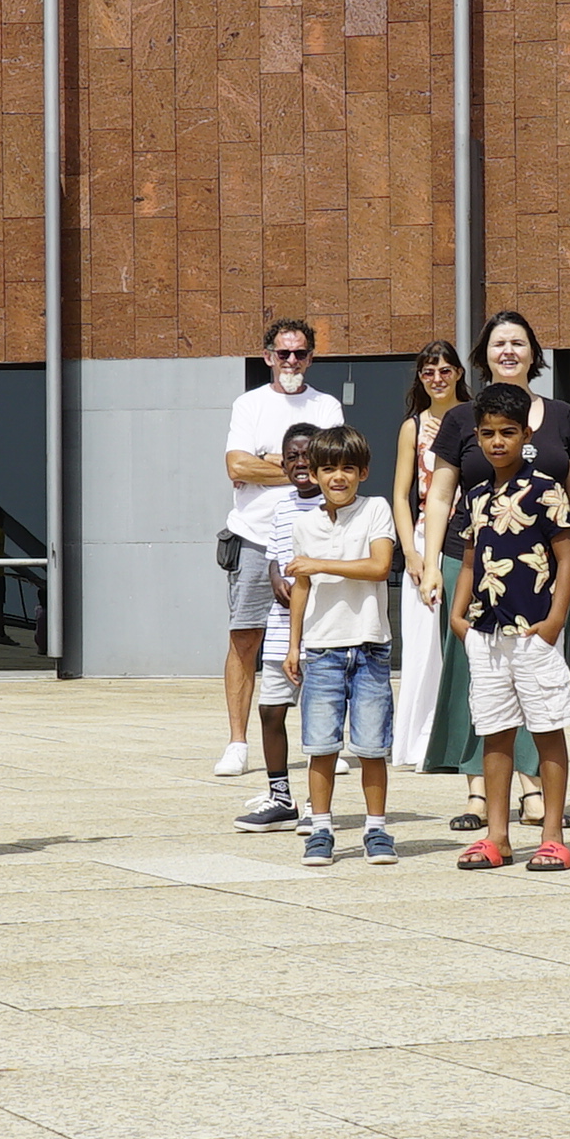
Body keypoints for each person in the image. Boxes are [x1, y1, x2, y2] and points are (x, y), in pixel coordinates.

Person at [426, 307, 570, 829]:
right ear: (483, 356)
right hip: (469, 561)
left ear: (534, 354)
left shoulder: (562, 416)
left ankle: (533, 790)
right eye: (498, 343)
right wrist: (431, 564)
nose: (508, 351)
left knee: (532, 678)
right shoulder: (461, 418)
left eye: (518, 343)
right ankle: (478, 794)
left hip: (540, 573)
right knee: (476, 679)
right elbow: (440, 495)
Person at [448, 382, 570, 870]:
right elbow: (469, 560)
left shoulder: (546, 490)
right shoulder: (476, 496)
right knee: (495, 731)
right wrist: (458, 616)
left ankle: (552, 836)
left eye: (507, 432)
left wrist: (554, 620)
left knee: (546, 728)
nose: (497, 442)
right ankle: (497, 836)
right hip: (485, 633)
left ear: (526, 434)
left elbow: (567, 559)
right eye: (488, 433)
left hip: (532, 632)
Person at [217, 314, 343, 799]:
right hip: (253, 537)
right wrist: (297, 468)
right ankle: (237, 741)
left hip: (316, 537)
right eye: (283, 352)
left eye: (300, 353)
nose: (291, 360)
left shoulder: (326, 405)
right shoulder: (249, 404)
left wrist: (265, 462)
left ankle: (323, 740)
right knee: (245, 637)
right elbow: (235, 464)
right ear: (267, 356)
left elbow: (333, 467)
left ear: (311, 357)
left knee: (320, 639)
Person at [285, 425, 404, 865]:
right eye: (329, 469)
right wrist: (294, 645)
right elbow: (300, 587)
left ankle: (376, 828)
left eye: (348, 468)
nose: (339, 477)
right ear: (314, 474)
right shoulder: (304, 524)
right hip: (321, 648)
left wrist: (317, 563)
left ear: (363, 473)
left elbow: (379, 566)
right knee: (320, 747)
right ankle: (321, 829)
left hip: (369, 645)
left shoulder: (375, 509)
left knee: (372, 747)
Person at [389, 341, 483, 816]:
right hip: (429, 538)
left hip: (473, 535)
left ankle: (467, 736)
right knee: (425, 645)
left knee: (465, 644)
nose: (438, 378)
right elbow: (401, 494)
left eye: (445, 370)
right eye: (429, 371)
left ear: (459, 373)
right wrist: (410, 551)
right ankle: (421, 739)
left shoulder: (474, 417)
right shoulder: (413, 426)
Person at [237, 422, 329, 833]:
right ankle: (279, 797)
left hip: (322, 630)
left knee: (318, 717)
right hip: (281, 632)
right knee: (271, 710)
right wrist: (276, 578)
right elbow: (275, 556)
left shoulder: (333, 503)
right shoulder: (282, 507)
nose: (300, 463)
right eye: (292, 457)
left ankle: (316, 804)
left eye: (308, 455)